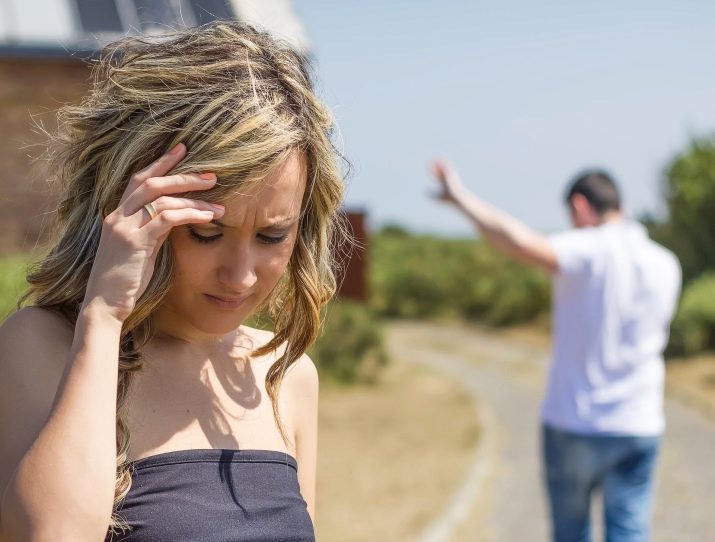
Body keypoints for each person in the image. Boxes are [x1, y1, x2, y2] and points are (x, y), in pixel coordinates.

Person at [0, 21, 344, 542]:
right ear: (129, 208)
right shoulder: (41, 346)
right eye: (206, 234)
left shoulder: (285, 375)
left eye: (272, 236)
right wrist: (104, 316)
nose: (241, 276)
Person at [431, 162, 681, 542]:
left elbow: (517, 241)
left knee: (570, 533)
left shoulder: (586, 248)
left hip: (575, 421)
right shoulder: (666, 263)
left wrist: (460, 199)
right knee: (630, 532)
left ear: (580, 206)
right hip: (639, 422)